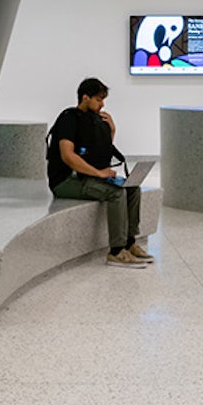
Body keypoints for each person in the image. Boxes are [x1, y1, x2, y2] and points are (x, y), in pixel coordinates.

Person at [46, 78, 152, 268]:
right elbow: (67, 156)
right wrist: (98, 173)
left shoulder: (93, 120)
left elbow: (101, 151)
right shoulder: (68, 119)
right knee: (116, 193)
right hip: (65, 181)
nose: (102, 104)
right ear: (85, 97)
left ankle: (129, 243)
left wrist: (111, 130)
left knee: (132, 188)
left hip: (87, 176)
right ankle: (117, 251)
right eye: (98, 99)